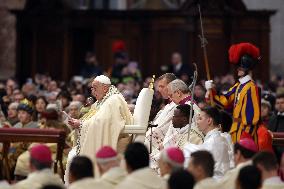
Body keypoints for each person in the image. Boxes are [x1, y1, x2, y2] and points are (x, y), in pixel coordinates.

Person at [66, 75, 132, 181]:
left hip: (117, 139)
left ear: (105, 88)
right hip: (101, 133)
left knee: (74, 158)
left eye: (95, 87)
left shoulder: (113, 100)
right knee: (72, 156)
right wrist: (79, 122)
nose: (92, 91)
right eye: (91, 88)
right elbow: (95, 119)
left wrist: (81, 124)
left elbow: (102, 122)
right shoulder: (102, 101)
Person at [205, 42, 261, 143]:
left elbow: (252, 117)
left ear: (248, 68)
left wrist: (246, 138)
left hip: (244, 133)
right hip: (235, 130)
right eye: (238, 66)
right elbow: (224, 101)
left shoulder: (251, 88)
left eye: (241, 67)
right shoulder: (238, 85)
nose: (238, 69)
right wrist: (212, 90)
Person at [183, 106, 231, 178]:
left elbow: (201, 155)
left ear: (209, 121)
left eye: (200, 118)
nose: (197, 122)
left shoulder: (214, 140)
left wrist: (186, 146)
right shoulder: (218, 137)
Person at [144, 73, 177, 151]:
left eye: (162, 86)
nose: (159, 90)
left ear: (172, 86)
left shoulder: (177, 106)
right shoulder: (168, 104)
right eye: (158, 86)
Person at [268, 93, 284, 158]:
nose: (280, 105)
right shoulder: (273, 117)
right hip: (273, 152)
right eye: (277, 103)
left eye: (282, 103)